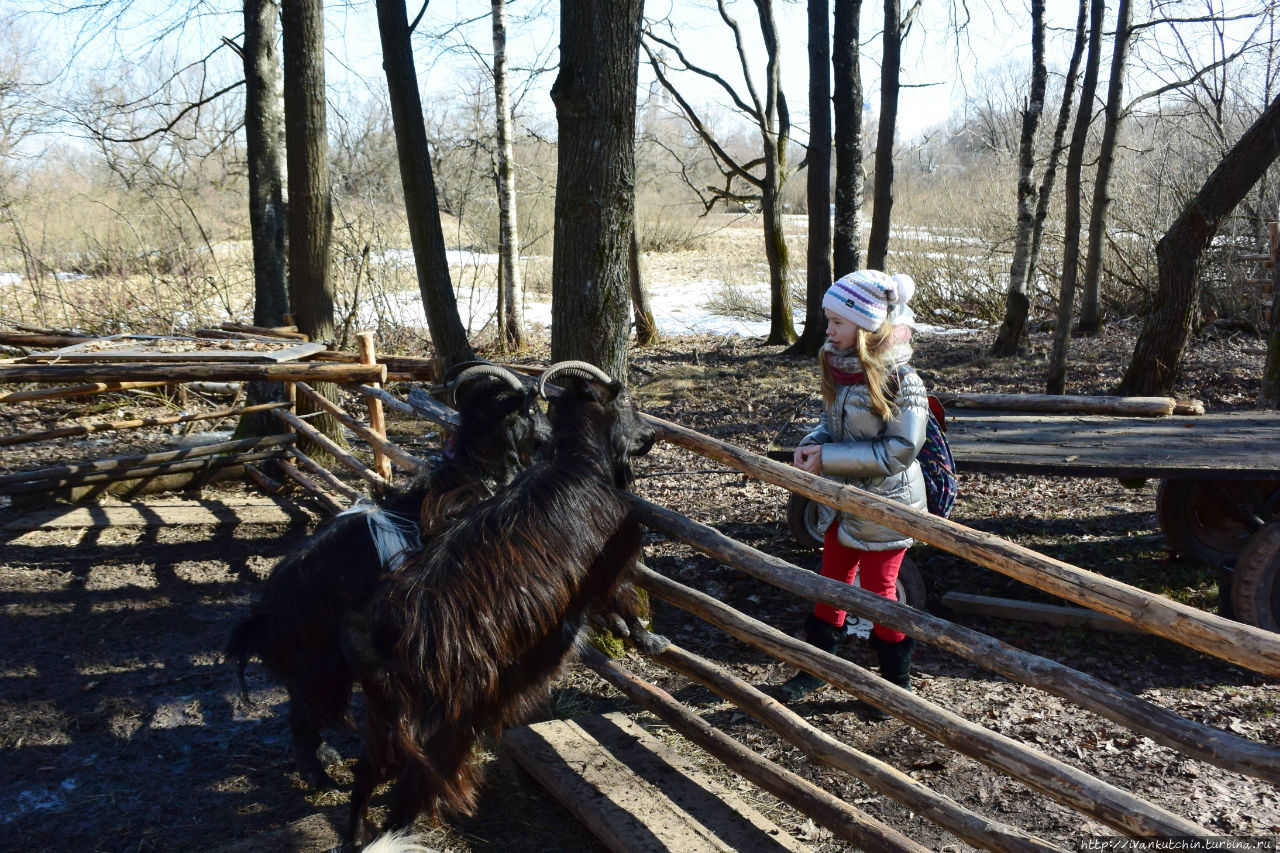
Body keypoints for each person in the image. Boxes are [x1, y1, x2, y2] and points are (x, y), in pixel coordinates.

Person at [779, 269, 928, 715]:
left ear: (865, 326)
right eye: (828, 320)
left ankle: (895, 685)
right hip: (841, 501)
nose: (828, 330)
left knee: (881, 593)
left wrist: (831, 459)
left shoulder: (903, 381)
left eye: (836, 322)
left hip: (887, 503)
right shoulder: (839, 368)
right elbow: (832, 426)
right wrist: (812, 443)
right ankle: (817, 667)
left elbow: (899, 451)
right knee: (831, 582)